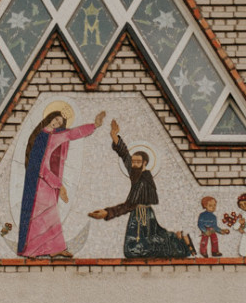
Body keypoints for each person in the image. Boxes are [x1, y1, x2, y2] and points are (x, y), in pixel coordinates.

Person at [87, 121, 193, 260]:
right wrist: (114, 135)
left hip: (141, 215)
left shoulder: (143, 181)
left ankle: (178, 244)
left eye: (137, 162)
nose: (134, 164)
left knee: (133, 250)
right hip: (141, 215)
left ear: (144, 164)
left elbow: (129, 205)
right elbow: (125, 155)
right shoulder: (137, 175)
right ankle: (176, 239)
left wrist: (108, 212)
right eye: (134, 162)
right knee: (144, 244)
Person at [17, 104, 105, 259]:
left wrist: (94, 125)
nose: (56, 123)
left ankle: (55, 248)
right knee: (38, 217)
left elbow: (73, 133)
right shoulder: (40, 137)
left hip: (48, 183)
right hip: (39, 184)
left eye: (60, 122)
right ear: (49, 118)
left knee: (50, 216)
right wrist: (58, 184)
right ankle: (31, 250)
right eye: (55, 119)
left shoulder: (57, 135)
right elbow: (39, 166)